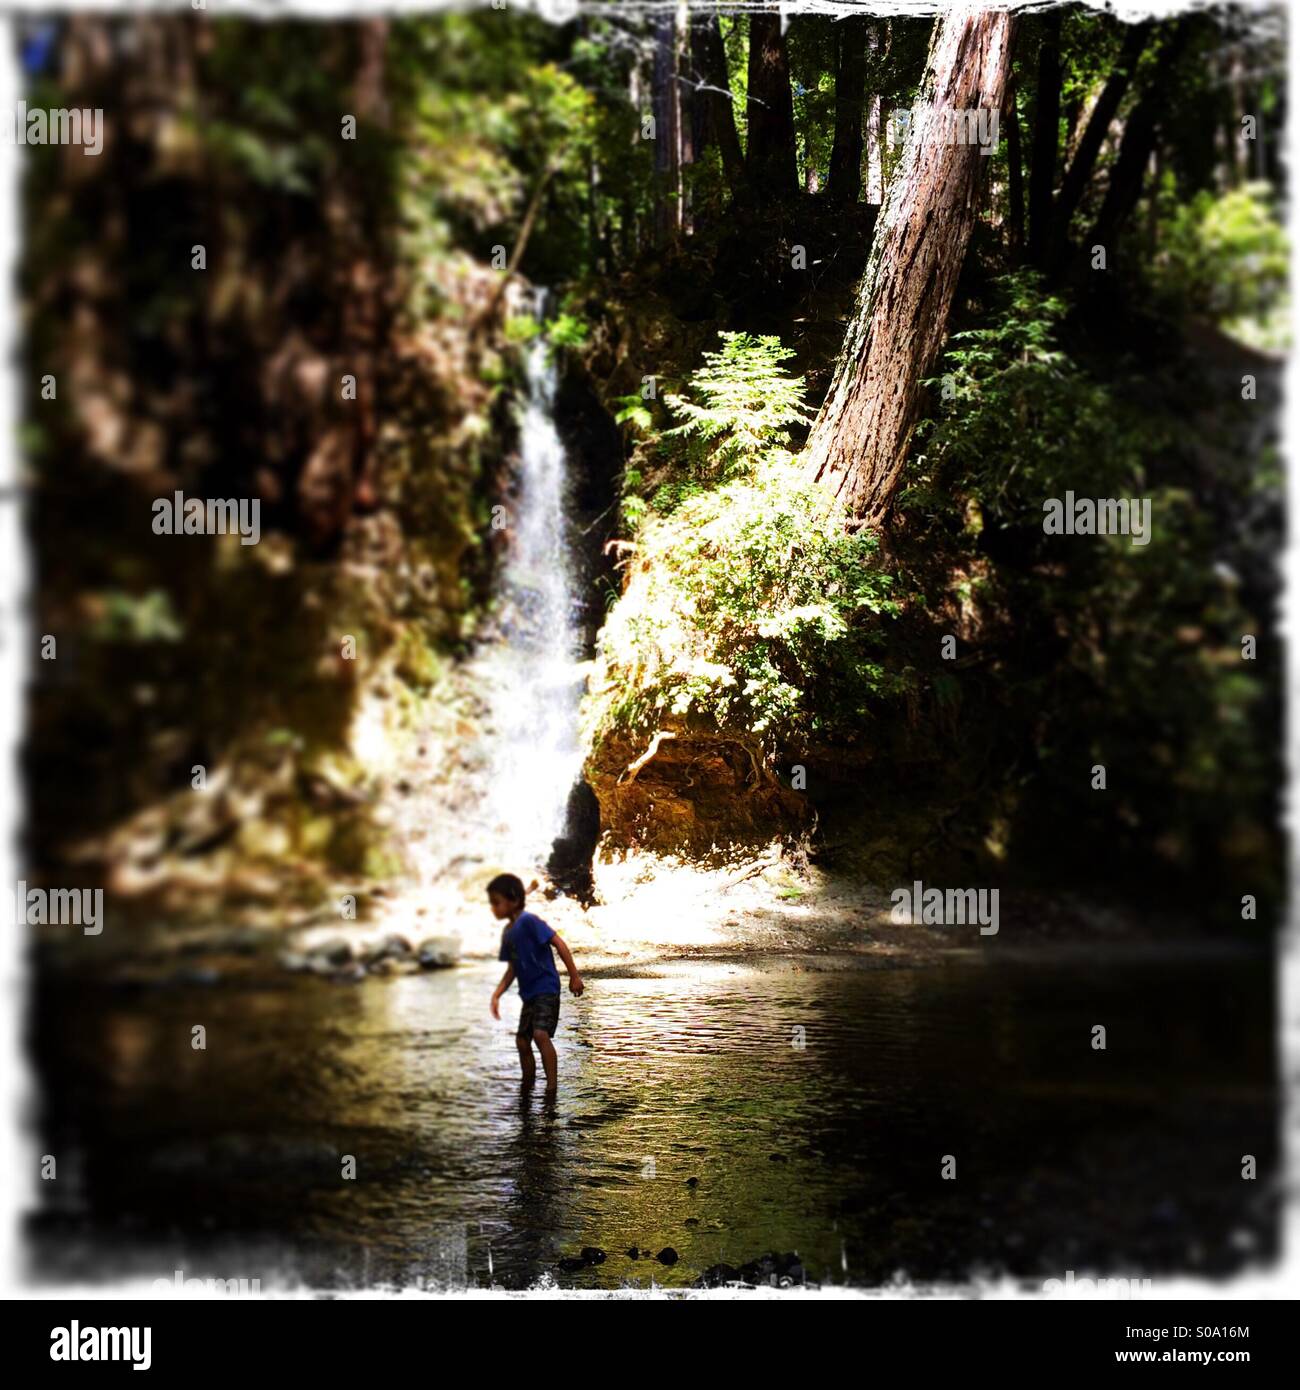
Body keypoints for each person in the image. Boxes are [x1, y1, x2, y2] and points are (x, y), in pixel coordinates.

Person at [488, 874, 583, 1092]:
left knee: (540, 1034)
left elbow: (558, 942)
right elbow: (512, 969)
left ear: (512, 900)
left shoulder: (529, 921)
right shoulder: (508, 932)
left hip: (546, 988)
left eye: (496, 902)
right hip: (529, 994)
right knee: (522, 1041)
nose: (493, 908)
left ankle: (551, 1088)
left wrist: (574, 976)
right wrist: (497, 995)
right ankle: (527, 1086)